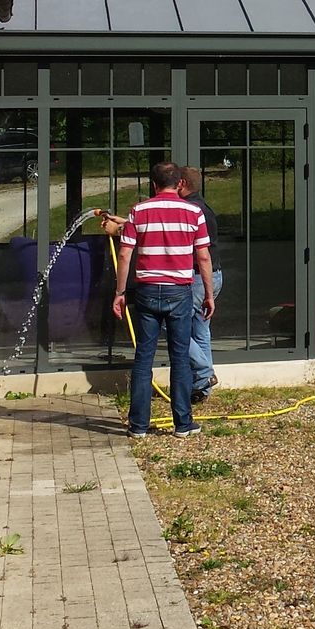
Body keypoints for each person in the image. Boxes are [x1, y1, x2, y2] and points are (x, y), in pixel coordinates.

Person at [111, 160, 212, 438]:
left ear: (153, 184)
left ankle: (139, 426)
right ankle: (183, 423)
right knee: (179, 357)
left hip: (146, 289)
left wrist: (120, 292)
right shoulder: (194, 212)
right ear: (179, 183)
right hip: (180, 290)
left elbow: (124, 254)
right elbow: (203, 256)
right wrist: (208, 293)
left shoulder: (138, 211)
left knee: (144, 357)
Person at [178, 164, 222, 402]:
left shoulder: (190, 210)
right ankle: (202, 389)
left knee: (174, 326)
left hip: (197, 276)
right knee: (201, 332)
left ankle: (205, 373)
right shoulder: (202, 207)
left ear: (182, 184)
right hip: (212, 275)